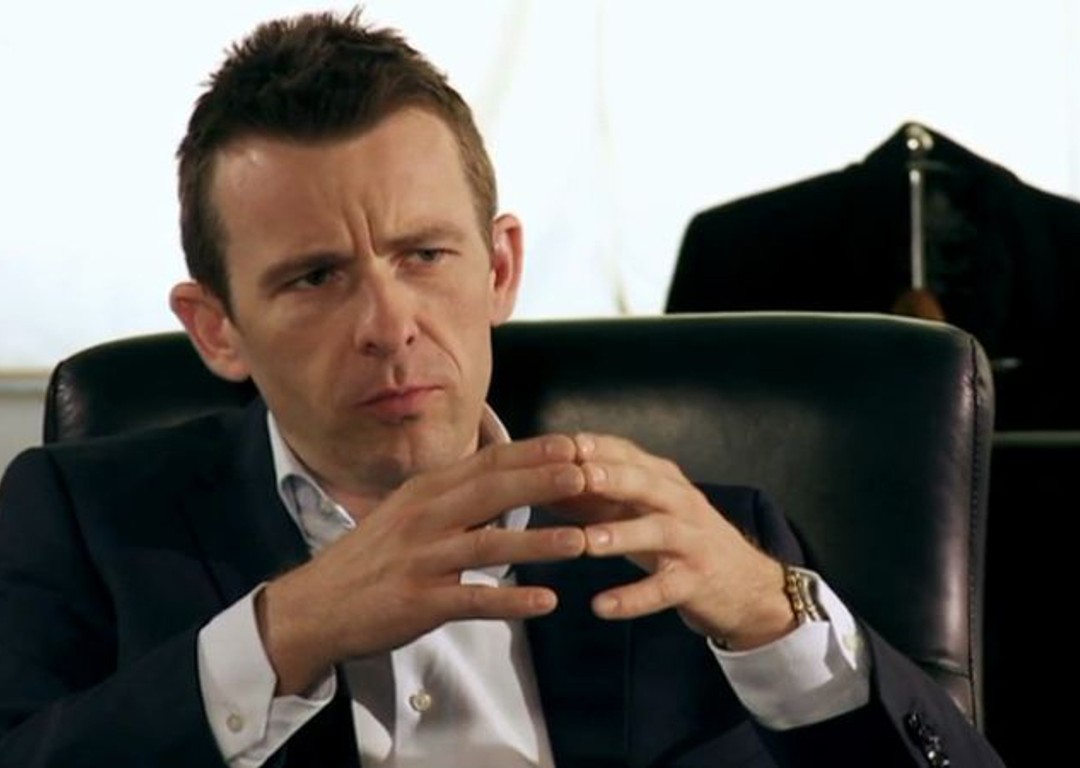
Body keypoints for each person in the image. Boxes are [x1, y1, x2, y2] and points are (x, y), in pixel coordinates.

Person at [0, 10, 1002, 767]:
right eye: (315, 277)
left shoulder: (718, 543)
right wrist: (285, 633)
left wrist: (774, 619)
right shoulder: (80, 519)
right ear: (218, 327)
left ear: (499, 269)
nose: (390, 324)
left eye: (425, 254)